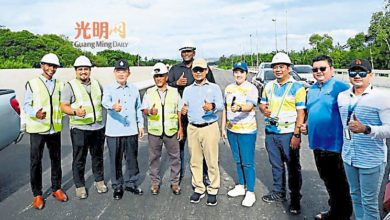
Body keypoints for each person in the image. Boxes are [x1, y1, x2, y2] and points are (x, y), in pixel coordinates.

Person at [301, 55, 352, 220]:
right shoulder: (312, 89)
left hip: (335, 146)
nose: (318, 72)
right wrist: (307, 125)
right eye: (315, 69)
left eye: (322, 68)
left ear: (331, 69)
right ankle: (334, 212)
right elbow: (313, 110)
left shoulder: (341, 87)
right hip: (317, 144)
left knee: (339, 185)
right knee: (328, 181)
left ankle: (342, 215)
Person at [338, 59, 390, 220]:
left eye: (362, 72)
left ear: (371, 75)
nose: (357, 75)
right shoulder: (342, 96)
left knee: (369, 202)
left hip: (371, 159)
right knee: (355, 196)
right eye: (353, 72)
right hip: (349, 157)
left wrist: (366, 129)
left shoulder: (381, 98)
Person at [259, 52, 305, 215]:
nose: (278, 70)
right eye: (275, 67)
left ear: (288, 68)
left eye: (281, 67)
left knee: (293, 167)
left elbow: (301, 113)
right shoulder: (269, 86)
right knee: (276, 165)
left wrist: (296, 135)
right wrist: (264, 109)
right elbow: (262, 105)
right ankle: (278, 192)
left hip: (288, 133)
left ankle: (295, 199)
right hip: (271, 132)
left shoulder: (297, 87)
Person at [23, 53, 68, 209]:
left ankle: (56, 188)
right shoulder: (32, 83)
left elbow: (64, 104)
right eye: (48, 65)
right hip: (37, 130)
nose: (51, 69)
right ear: (42, 65)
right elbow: (26, 105)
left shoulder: (61, 85)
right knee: (36, 162)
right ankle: (37, 194)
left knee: (56, 160)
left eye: (54, 66)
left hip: (54, 129)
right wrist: (35, 113)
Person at [167, 40, 215, 184]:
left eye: (189, 51)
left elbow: (212, 86)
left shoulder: (200, 67)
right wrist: (176, 84)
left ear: (194, 52)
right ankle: (179, 174)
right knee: (179, 144)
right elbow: (166, 85)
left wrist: (210, 106)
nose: (186, 54)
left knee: (203, 146)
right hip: (182, 113)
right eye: (184, 51)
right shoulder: (175, 69)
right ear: (181, 53)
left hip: (200, 114)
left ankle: (205, 174)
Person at [61, 56, 107, 199]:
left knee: (98, 156)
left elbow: (104, 100)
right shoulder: (70, 85)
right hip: (79, 128)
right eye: (80, 69)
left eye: (86, 69)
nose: (83, 72)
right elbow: (63, 106)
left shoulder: (97, 83)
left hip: (98, 127)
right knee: (79, 158)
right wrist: (75, 112)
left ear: (90, 70)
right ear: (75, 71)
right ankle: (80, 185)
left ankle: (99, 181)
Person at [180, 58, 223, 206]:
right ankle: (199, 188)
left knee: (211, 161)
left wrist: (212, 106)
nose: (198, 73)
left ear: (206, 71)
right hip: (192, 128)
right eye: (195, 70)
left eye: (201, 70)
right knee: (195, 161)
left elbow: (221, 105)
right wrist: (183, 110)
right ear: (192, 72)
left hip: (209, 127)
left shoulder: (214, 88)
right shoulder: (187, 89)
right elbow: (182, 107)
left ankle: (213, 189)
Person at [102, 59, 145, 200]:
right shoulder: (109, 89)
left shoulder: (134, 89)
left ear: (129, 73)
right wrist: (113, 106)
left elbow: (138, 108)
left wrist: (141, 125)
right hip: (114, 132)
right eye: (118, 71)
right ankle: (117, 186)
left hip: (131, 130)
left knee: (132, 158)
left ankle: (131, 183)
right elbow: (104, 102)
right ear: (114, 73)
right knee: (115, 160)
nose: (121, 74)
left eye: (124, 71)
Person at [141, 62, 183, 195]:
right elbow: (144, 109)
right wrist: (149, 111)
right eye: (156, 76)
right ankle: (155, 183)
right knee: (154, 157)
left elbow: (179, 111)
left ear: (166, 76)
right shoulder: (149, 92)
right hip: (155, 132)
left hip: (171, 130)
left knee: (175, 157)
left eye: (161, 76)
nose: (158, 78)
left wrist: (180, 128)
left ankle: (175, 183)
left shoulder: (174, 91)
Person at [221, 62, 258, 207]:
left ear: (246, 74)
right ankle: (241, 185)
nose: (238, 75)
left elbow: (250, 106)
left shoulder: (251, 88)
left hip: (246, 131)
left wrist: (240, 107)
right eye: (236, 72)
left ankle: (250, 191)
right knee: (238, 160)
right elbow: (225, 108)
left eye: (241, 72)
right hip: (232, 130)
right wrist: (223, 127)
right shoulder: (229, 88)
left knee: (247, 162)